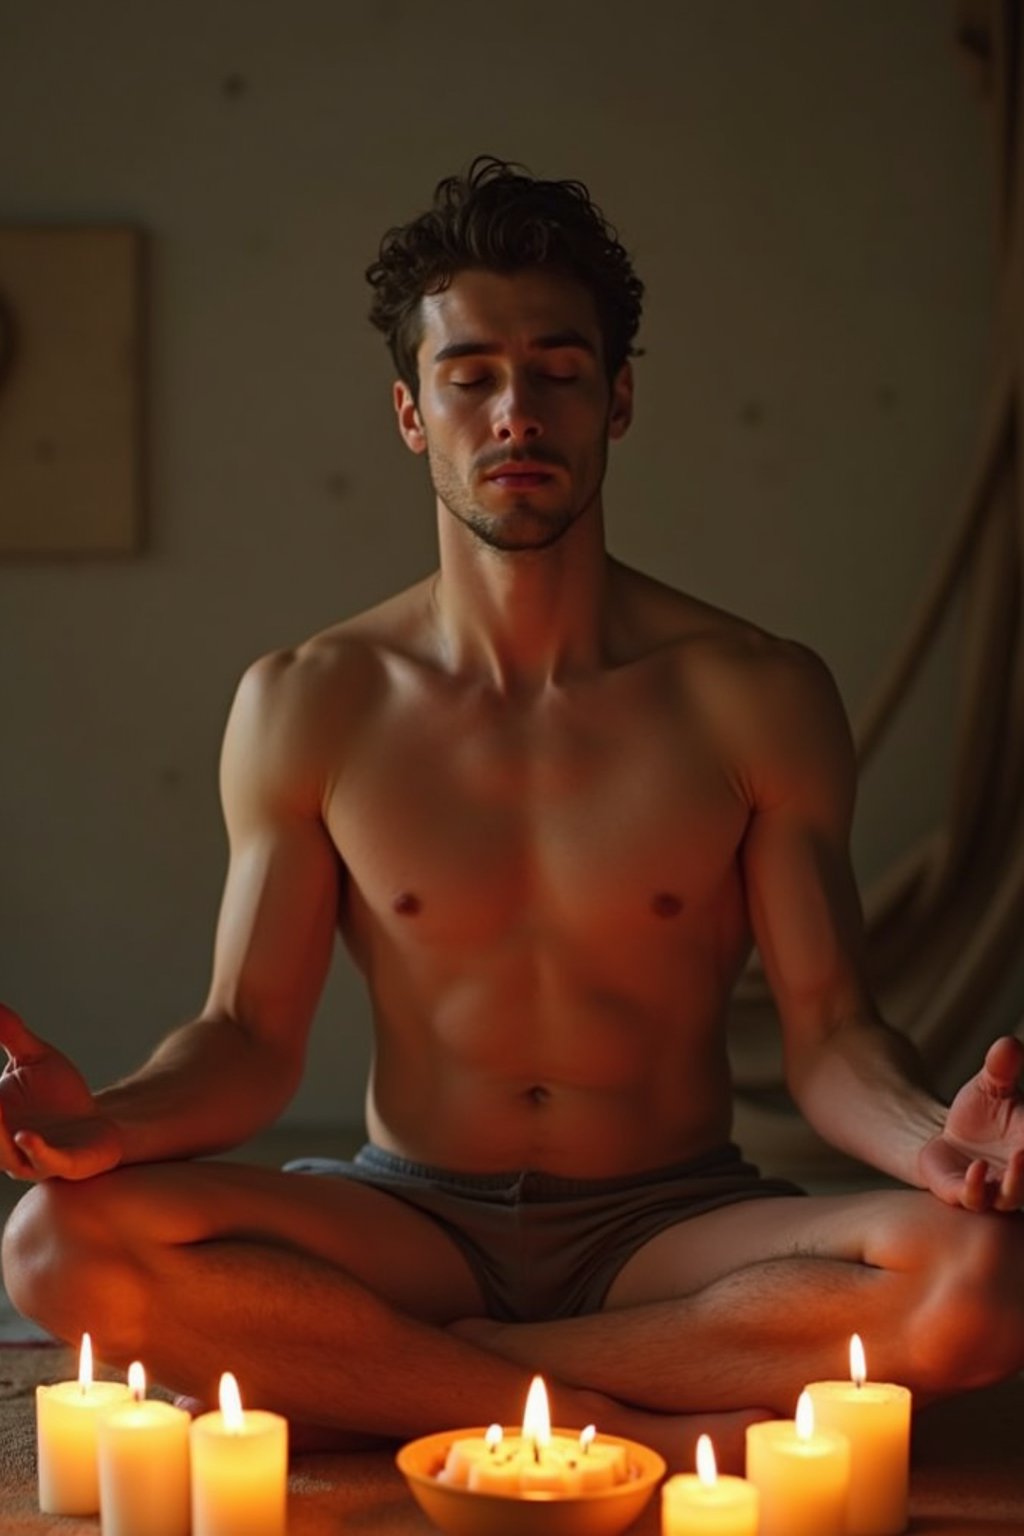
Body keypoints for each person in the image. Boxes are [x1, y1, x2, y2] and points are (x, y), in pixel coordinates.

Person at [2, 156, 1024, 1471]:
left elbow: (831, 1035)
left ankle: (386, 1382)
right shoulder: (310, 700)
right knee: (56, 1243)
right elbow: (250, 1037)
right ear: (411, 412)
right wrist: (110, 1129)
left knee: (984, 1283)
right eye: (469, 373)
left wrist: (936, 1145)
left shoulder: (755, 692)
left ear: (619, 399)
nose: (514, 412)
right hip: (409, 1223)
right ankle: (610, 1416)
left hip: (672, 1225)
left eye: (557, 369)